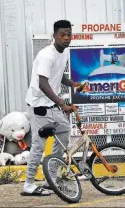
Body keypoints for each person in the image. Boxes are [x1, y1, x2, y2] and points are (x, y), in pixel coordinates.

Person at [22, 20, 81, 196]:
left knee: (63, 131)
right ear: (54, 36)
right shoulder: (46, 55)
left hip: (52, 104)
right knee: (38, 146)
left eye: (69, 35)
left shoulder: (63, 53)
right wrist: (62, 103)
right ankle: (28, 184)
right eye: (62, 35)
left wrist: (72, 84)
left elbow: (58, 73)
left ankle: (52, 177)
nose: (66, 38)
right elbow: (42, 82)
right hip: (39, 106)